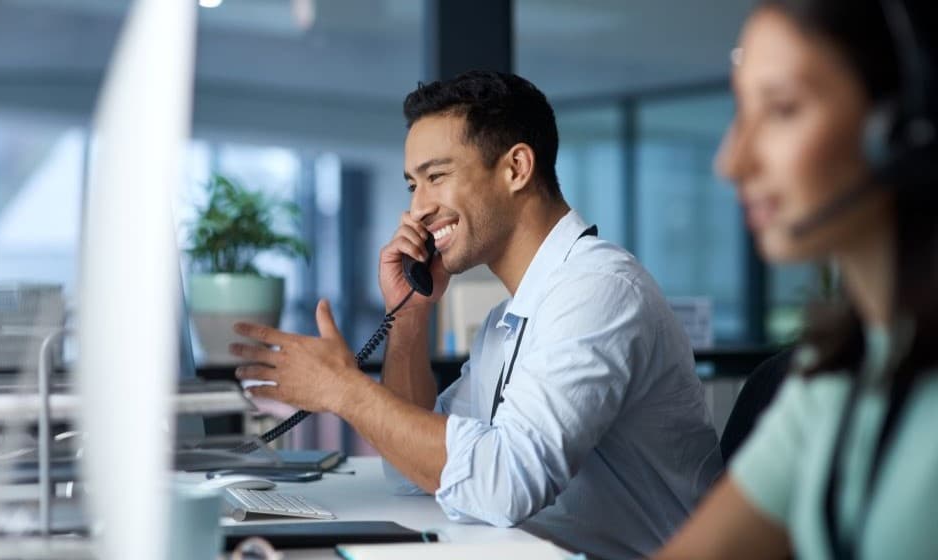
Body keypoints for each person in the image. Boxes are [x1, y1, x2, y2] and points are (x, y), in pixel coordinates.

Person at [231, 71, 722, 559]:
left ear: (516, 168)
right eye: (411, 185)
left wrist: (344, 389)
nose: (418, 209)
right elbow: (413, 472)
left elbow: (506, 483)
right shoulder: (508, 320)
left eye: (436, 177)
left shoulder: (599, 291)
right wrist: (409, 317)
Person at [655, 1, 938, 558]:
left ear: (906, 127)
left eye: (782, 110)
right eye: (740, 111)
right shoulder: (837, 371)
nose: (732, 161)